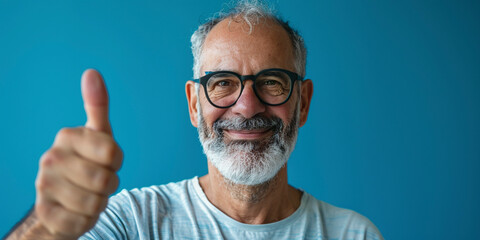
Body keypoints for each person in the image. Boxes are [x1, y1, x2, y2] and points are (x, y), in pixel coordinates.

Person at [6, 1, 383, 239]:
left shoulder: (352, 234)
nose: (247, 107)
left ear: (302, 103)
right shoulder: (130, 223)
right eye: (222, 83)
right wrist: (46, 228)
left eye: (271, 82)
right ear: (193, 104)